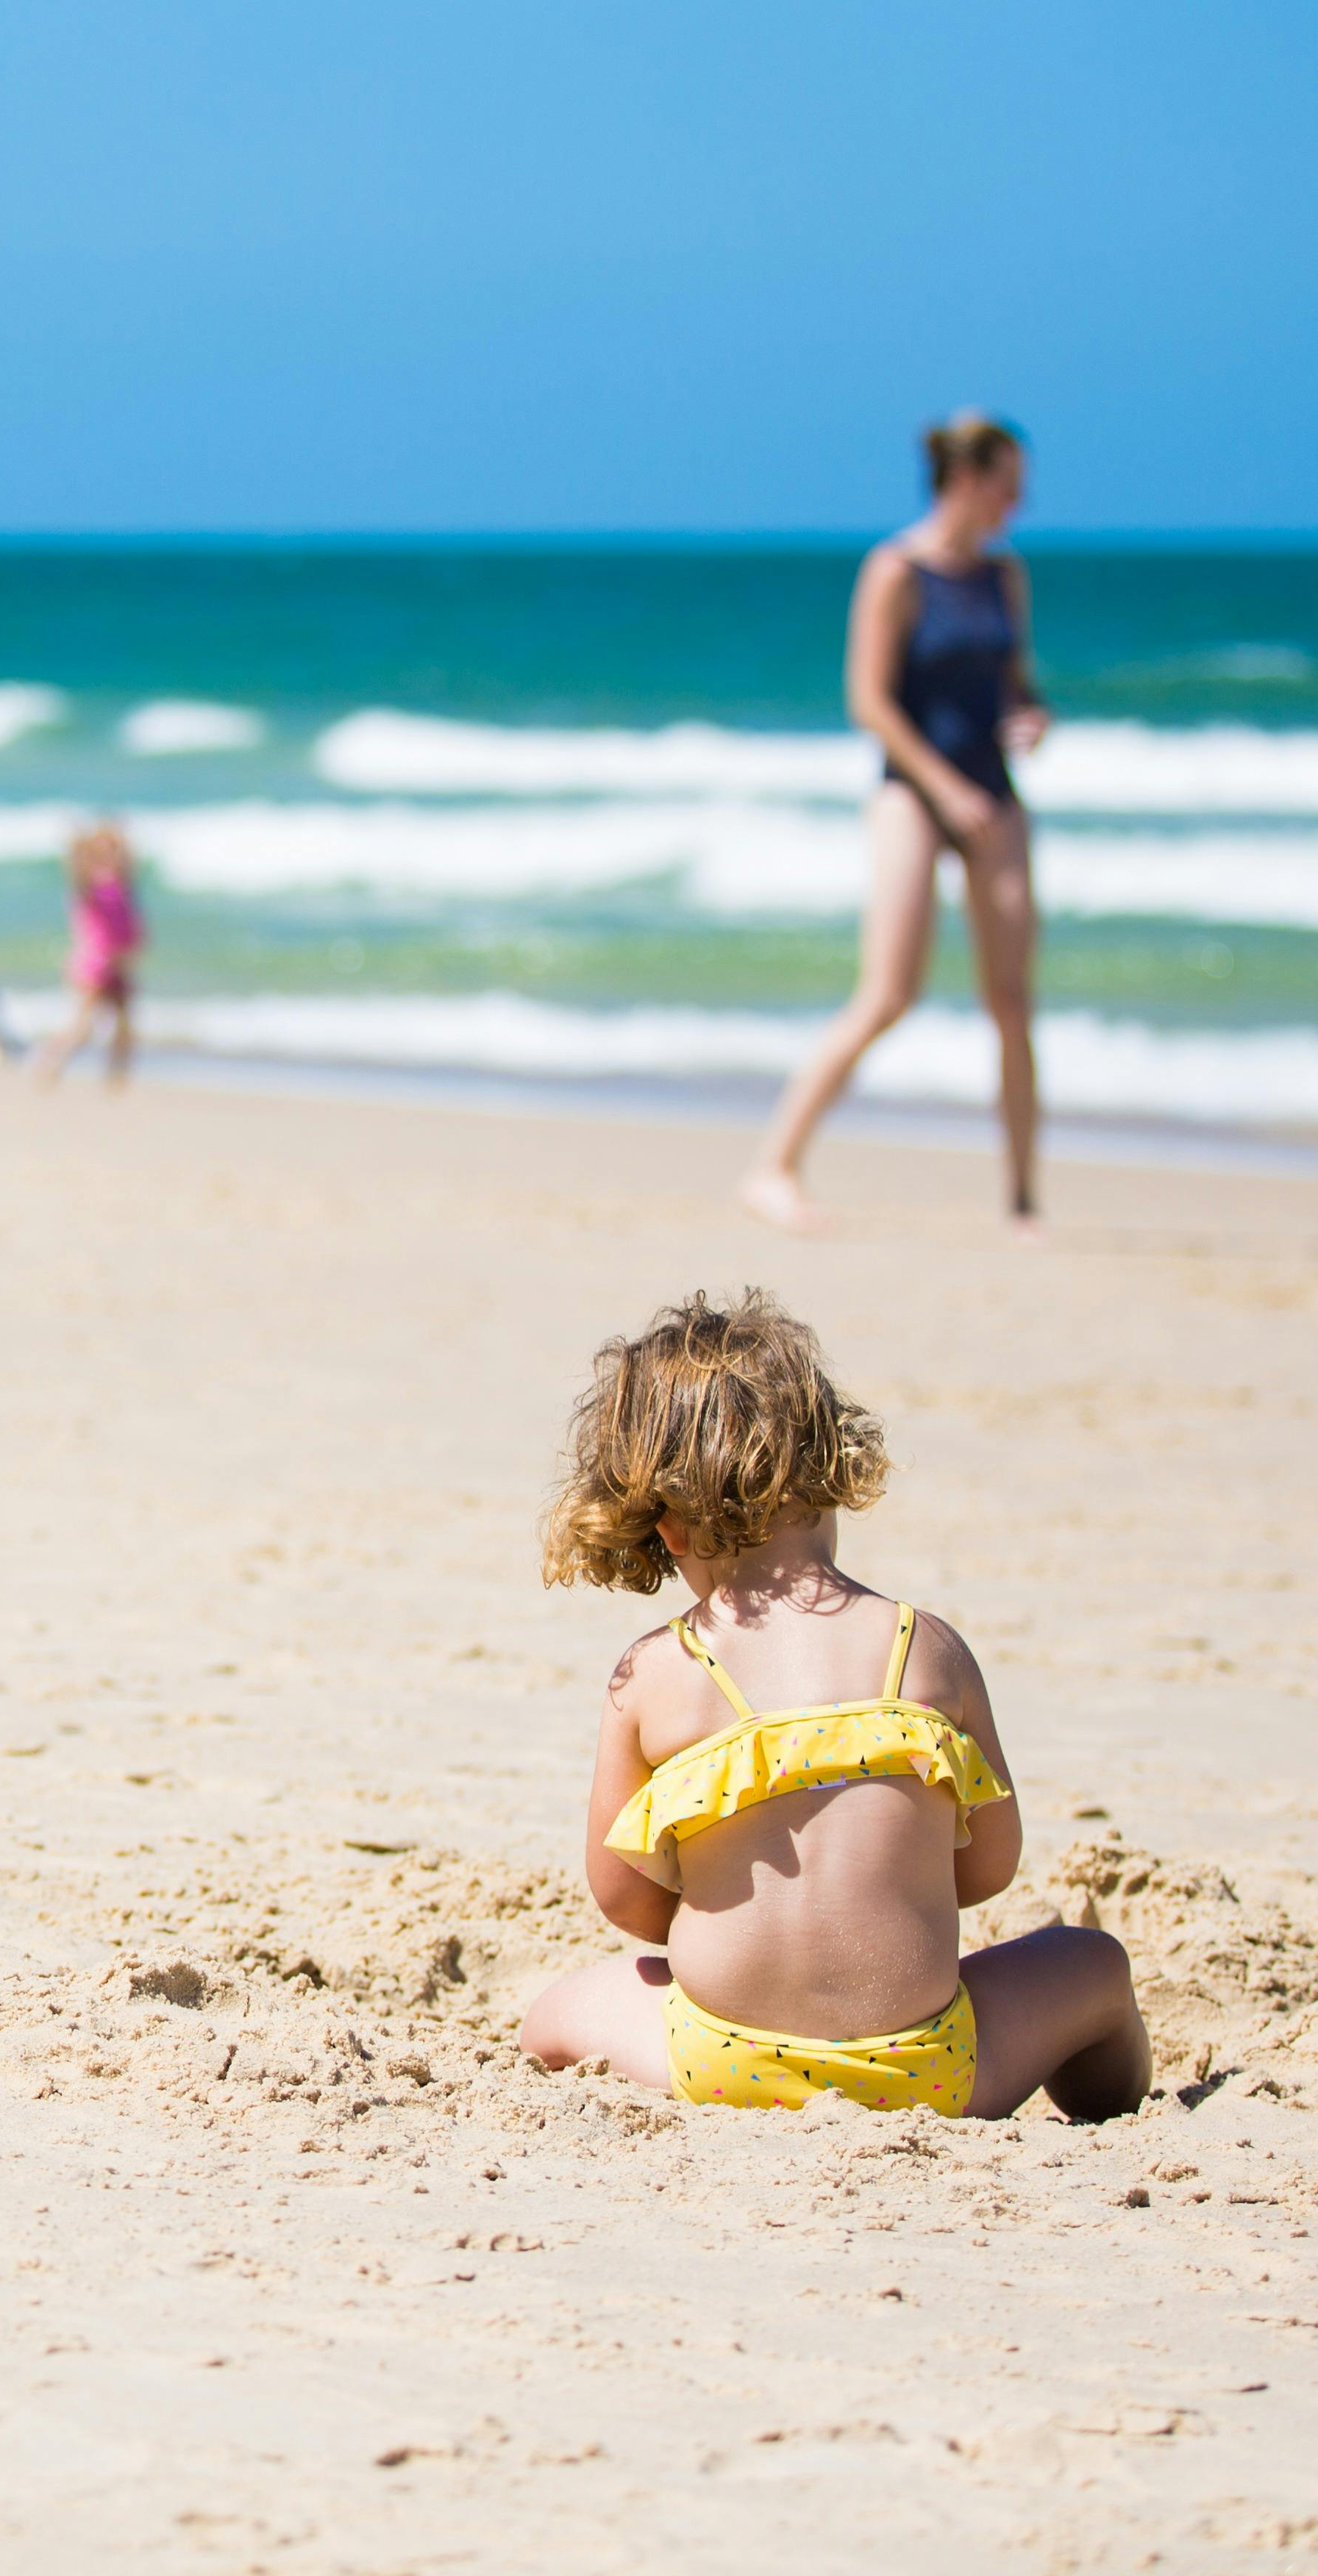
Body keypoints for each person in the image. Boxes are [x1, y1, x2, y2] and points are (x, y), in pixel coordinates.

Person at [516, 1289, 1148, 2121]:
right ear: (832, 1471)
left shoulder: (655, 1672)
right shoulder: (927, 1649)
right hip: (928, 2073)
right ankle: (1109, 2105)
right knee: (1090, 1961)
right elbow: (989, 1868)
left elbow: (625, 1901)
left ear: (664, 1528)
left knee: (554, 2017)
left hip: (719, 2060)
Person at [744, 412, 1051, 1235]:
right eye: (1007, 482)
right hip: (914, 793)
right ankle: (774, 1167)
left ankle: (1022, 1201)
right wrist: (945, 790)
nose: (1017, 500)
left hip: (994, 790)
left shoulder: (1005, 578)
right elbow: (869, 702)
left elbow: (1016, 682)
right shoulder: (896, 571)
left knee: (1012, 1002)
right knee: (888, 994)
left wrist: (1031, 716)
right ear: (966, 478)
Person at [33, 818, 143, 1089]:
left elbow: (128, 863)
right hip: (94, 965)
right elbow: (75, 867)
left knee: (125, 1027)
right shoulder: (87, 887)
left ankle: (116, 1077)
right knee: (82, 1027)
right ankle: (49, 1061)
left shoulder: (120, 883)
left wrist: (120, 840)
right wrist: (77, 843)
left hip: (118, 964)